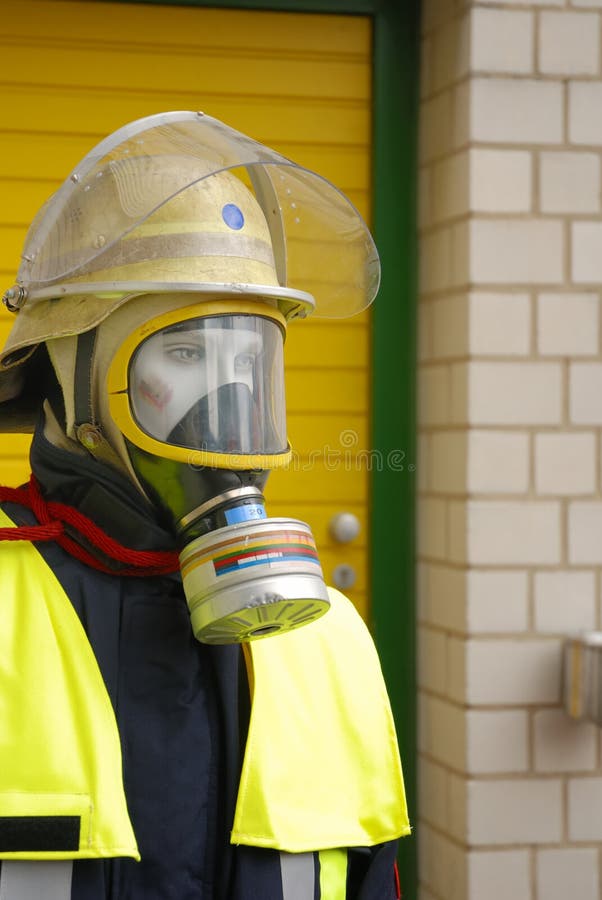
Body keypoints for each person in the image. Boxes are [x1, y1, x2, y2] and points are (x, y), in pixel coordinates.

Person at [0, 111, 409, 900]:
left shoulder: (332, 637)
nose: (228, 401)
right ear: (71, 371)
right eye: (185, 353)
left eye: (247, 359)